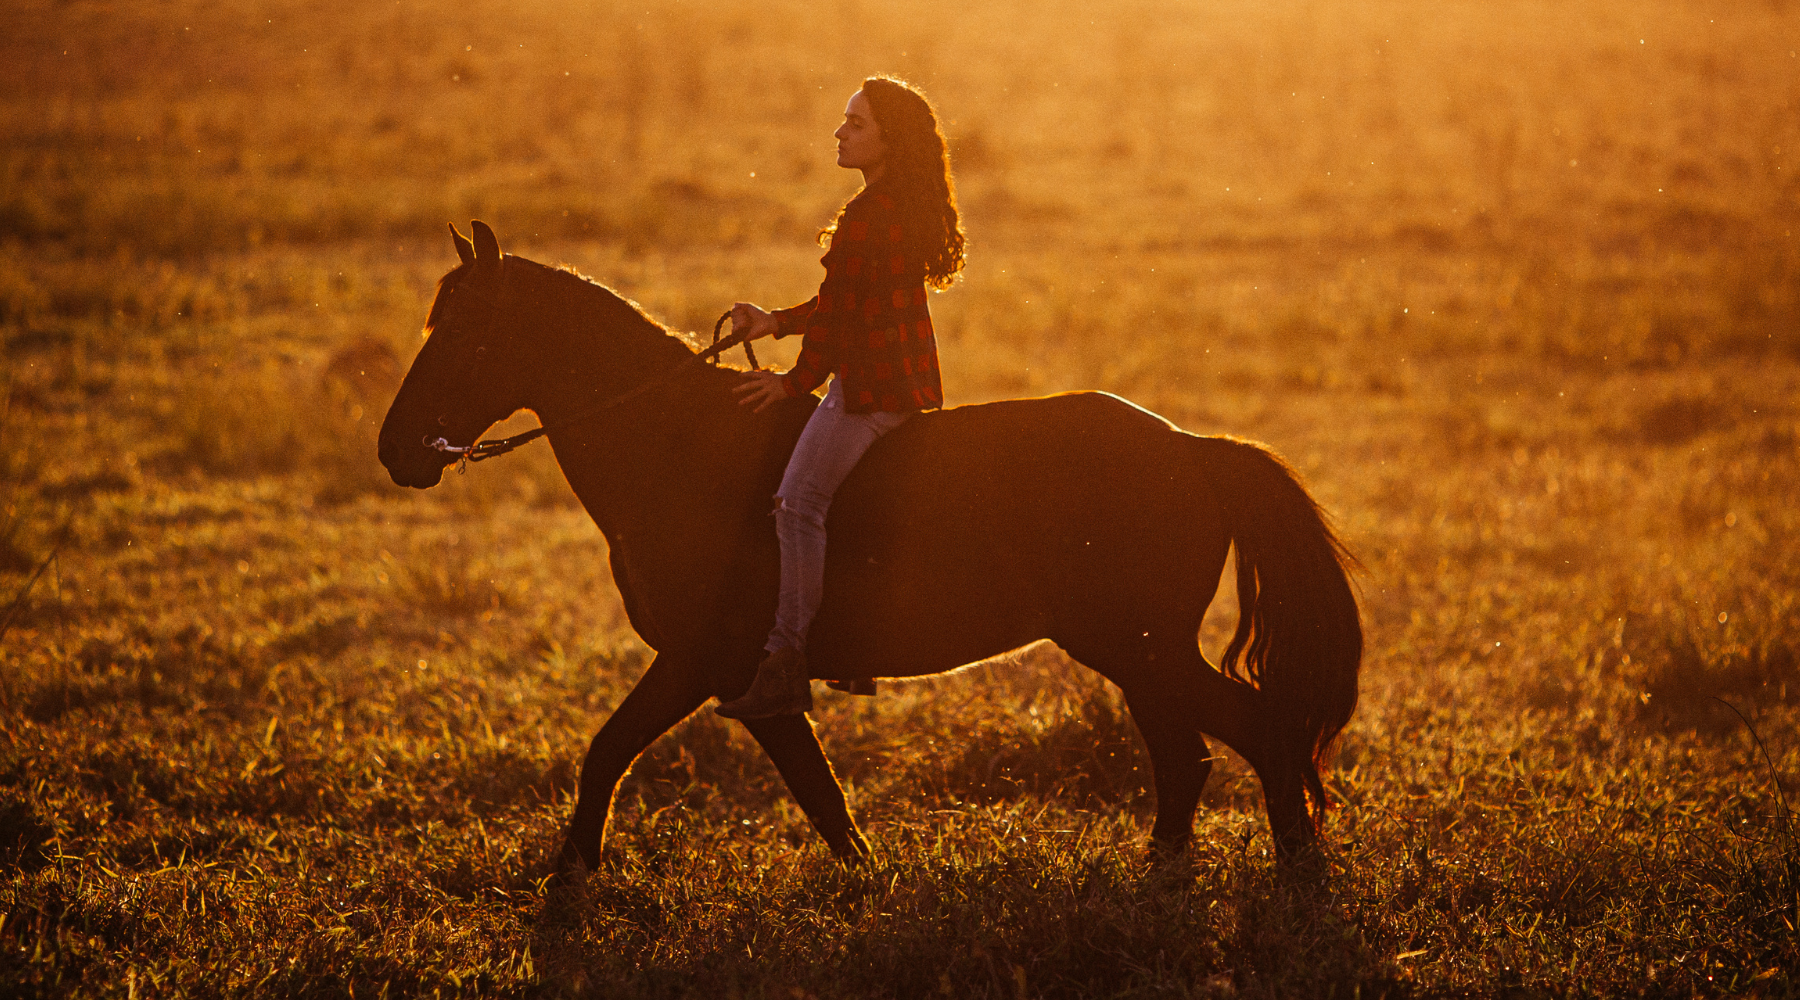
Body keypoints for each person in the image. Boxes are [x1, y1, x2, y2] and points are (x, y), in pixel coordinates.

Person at [714, 76, 967, 719]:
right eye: (844, 120)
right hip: (900, 382)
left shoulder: (867, 216)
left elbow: (841, 325)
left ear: (888, 140)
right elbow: (842, 302)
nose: (840, 132)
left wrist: (791, 383)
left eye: (856, 124)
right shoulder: (897, 203)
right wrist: (772, 321)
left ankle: (785, 660)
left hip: (868, 391)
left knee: (797, 504)